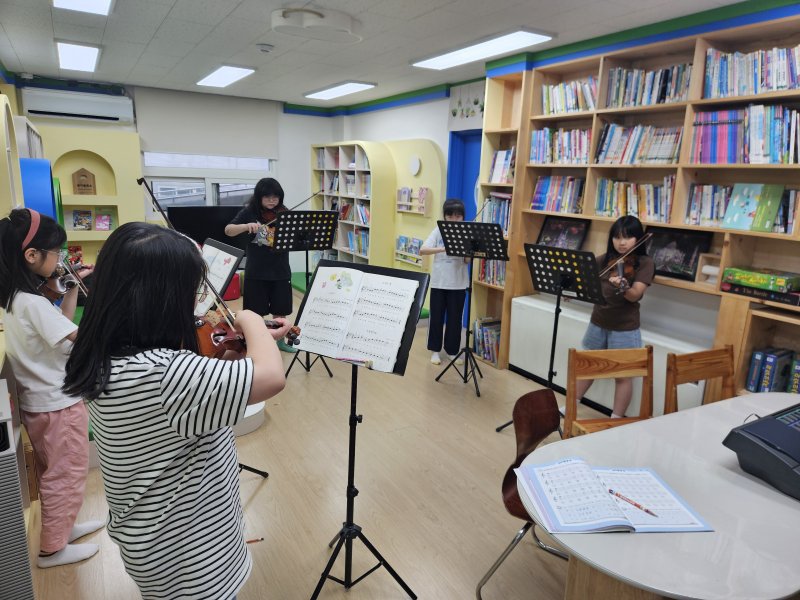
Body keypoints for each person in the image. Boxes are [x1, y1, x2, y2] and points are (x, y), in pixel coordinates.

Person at [62, 223, 291, 599]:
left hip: (152, 538)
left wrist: (233, 352)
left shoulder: (105, 352)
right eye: (192, 291)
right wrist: (250, 320)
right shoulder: (166, 375)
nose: (197, 302)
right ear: (160, 298)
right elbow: (270, 377)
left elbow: (186, 399)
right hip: (191, 552)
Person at [0, 208, 101, 568]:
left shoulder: (17, 298)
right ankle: (52, 550)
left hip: (40, 403)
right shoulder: (32, 302)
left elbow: (59, 325)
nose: (61, 259)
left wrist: (71, 289)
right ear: (31, 256)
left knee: (53, 471)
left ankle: (63, 528)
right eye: (56, 252)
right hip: (57, 405)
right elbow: (80, 338)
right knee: (68, 473)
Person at [574, 215, 654, 418]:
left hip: (625, 327)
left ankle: (616, 418)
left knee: (622, 376)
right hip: (598, 320)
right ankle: (571, 406)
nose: (622, 242)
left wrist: (623, 287)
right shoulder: (606, 259)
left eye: (628, 237)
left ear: (639, 239)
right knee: (589, 367)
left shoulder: (644, 263)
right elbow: (586, 276)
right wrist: (573, 290)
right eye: (617, 237)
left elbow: (635, 294)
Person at [225, 177, 296, 353]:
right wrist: (245, 226)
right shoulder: (250, 212)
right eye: (268, 197)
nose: (272, 201)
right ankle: (256, 342)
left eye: (276, 197)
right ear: (259, 197)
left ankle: (279, 341)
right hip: (256, 270)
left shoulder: (284, 212)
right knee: (255, 312)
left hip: (280, 270)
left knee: (281, 309)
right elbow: (228, 230)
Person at [420, 199, 470, 366]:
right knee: (436, 318)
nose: (454, 220)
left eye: (458, 216)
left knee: (455, 320)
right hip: (439, 283)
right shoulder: (437, 231)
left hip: (458, 283)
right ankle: (435, 351)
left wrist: (468, 252)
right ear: (445, 216)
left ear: (463, 217)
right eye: (450, 216)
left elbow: (467, 261)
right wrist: (443, 249)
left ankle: (452, 351)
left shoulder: (467, 232)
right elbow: (423, 250)